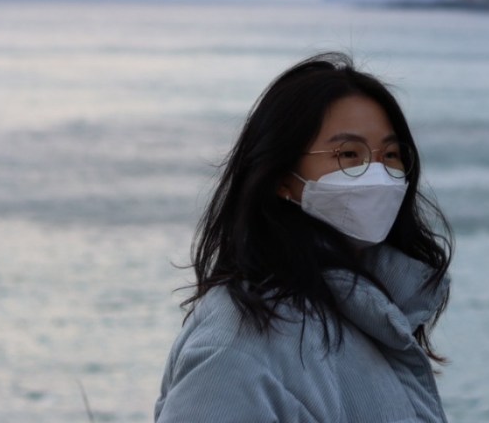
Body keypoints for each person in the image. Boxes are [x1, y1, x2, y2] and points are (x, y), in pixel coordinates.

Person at [155, 52, 453, 422]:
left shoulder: (377, 319)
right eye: (348, 154)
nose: (377, 173)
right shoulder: (239, 344)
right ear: (282, 177)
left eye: (391, 154)